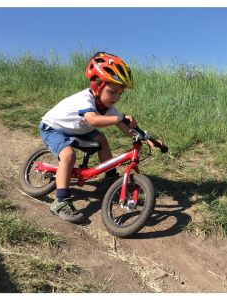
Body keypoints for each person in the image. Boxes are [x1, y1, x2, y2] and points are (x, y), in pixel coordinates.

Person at [38, 51, 155, 222]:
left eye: (120, 94)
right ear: (97, 86)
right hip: (54, 128)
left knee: (102, 139)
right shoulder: (85, 99)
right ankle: (61, 201)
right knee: (68, 155)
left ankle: (109, 178)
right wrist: (119, 118)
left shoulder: (108, 107)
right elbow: (93, 119)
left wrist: (144, 136)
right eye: (112, 92)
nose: (116, 98)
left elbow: (124, 127)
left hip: (79, 129)